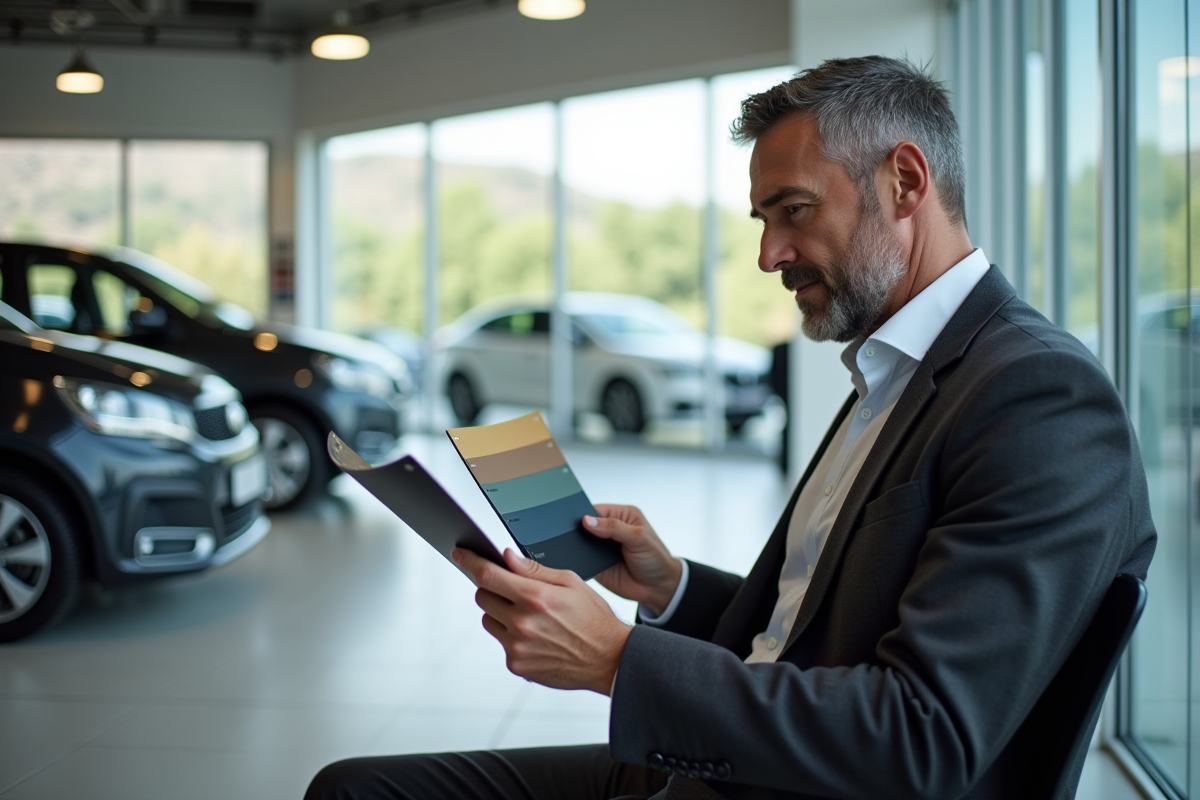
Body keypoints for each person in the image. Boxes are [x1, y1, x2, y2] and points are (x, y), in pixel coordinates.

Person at [306, 56, 1156, 800]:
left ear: (905, 180)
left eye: (793, 211)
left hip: (804, 788)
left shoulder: (1037, 396)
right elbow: (810, 625)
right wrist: (669, 587)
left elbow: (922, 736)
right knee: (355, 787)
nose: (769, 255)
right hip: (742, 766)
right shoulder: (894, 369)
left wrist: (613, 662)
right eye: (762, 220)